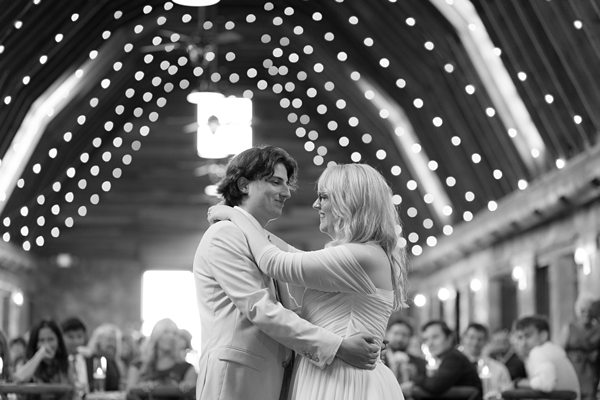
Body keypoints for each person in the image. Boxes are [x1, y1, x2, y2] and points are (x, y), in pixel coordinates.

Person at [208, 161, 406, 399]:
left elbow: (275, 262)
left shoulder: (363, 254)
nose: (316, 204)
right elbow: (290, 254)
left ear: (350, 201)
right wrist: (244, 219)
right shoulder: (365, 253)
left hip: (343, 380)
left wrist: (234, 214)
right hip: (337, 373)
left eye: (323, 197)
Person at [399, 320, 482, 400]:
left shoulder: (454, 357)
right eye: (426, 339)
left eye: (435, 337)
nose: (430, 343)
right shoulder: (445, 358)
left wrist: (415, 378)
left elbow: (435, 386)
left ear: (449, 338)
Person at [512, 315, 580, 397]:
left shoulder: (538, 352)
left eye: (528, 336)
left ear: (543, 335)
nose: (523, 343)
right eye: (520, 338)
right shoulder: (552, 349)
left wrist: (520, 383)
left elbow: (546, 384)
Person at [126, 319, 197, 396]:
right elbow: (129, 393)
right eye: (166, 332)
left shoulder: (187, 368)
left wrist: (186, 387)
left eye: (174, 333)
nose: (171, 337)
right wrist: (141, 388)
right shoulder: (138, 366)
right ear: (156, 335)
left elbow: (192, 390)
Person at [559, 294, 600, 400]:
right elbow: (560, 352)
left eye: (589, 311)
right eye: (583, 310)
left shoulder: (598, 329)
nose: (586, 314)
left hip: (590, 371)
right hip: (572, 369)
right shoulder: (569, 328)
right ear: (578, 311)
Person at [14, 319, 73, 387]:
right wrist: (39, 355)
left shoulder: (65, 363)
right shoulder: (23, 361)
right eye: (41, 340)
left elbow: (72, 390)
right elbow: (19, 379)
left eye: (50, 339)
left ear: (58, 341)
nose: (46, 345)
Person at [459, 323, 511, 398]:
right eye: (471, 337)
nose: (475, 343)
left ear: (486, 341)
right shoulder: (451, 366)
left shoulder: (498, 368)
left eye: (480, 339)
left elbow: (507, 393)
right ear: (463, 338)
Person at [382, 319, 426, 384]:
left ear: (410, 338)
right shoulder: (376, 360)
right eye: (396, 333)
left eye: (404, 335)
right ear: (387, 334)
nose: (399, 339)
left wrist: (414, 377)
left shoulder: (420, 363)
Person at [82, 323, 124, 391]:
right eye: (109, 340)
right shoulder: (92, 360)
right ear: (98, 340)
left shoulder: (113, 362)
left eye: (115, 340)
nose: (112, 344)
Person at [60, 317, 89, 395]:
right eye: (70, 337)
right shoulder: (58, 361)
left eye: (79, 337)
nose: (76, 341)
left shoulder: (90, 359)